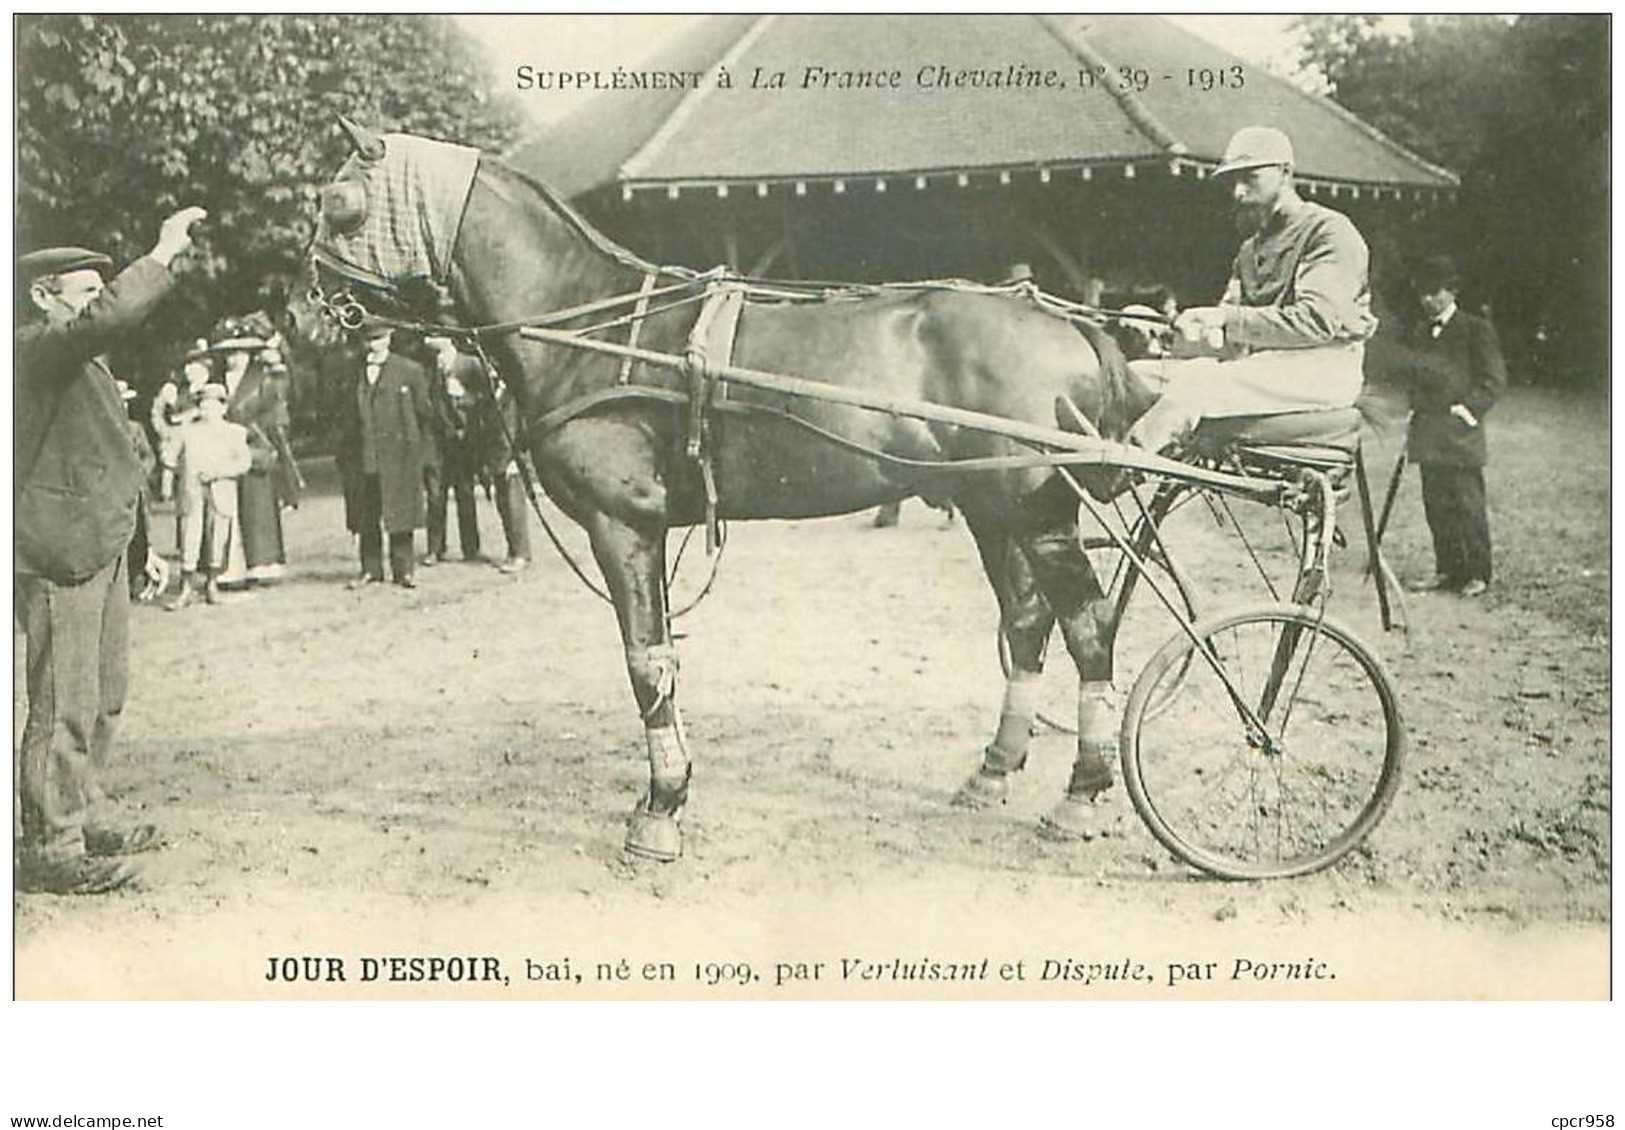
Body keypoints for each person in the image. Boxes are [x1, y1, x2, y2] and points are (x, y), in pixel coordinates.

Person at [14, 205, 205, 894]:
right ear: (43, 295)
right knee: (62, 699)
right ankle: (52, 844)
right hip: (58, 550)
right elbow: (114, 317)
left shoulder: (82, 360)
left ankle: (86, 809)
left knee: (103, 696)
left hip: (103, 543)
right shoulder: (31, 348)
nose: (99, 306)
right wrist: (162, 251)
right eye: (86, 293)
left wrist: (143, 544)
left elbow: (122, 455)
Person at [1126, 126, 1378, 455]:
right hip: (1261, 367)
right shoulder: (1249, 250)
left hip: (1324, 368)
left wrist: (1220, 317)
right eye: (1233, 181)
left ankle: (1119, 465)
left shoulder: (1329, 232)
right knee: (1136, 376)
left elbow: (1316, 322)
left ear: (1286, 173)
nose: (1238, 192)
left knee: (1198, 384)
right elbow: (1228, 341)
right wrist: (1165, 333)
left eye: (1250, 177)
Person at [1401, 255, 1507, 598]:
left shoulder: (1476, 328)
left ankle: (1477, 572)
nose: (1427, 300)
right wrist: (1414, 407)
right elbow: (1416, 376)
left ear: (1451, 291)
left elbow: (1493, 380)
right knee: (1437, 504)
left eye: (1434, 293)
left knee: (1467, 504)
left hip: (1460, 434)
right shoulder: (1420, 331)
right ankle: (1447, 569)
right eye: (1422, 294)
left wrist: (1467, 411)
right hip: (1428, 431)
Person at [338, 323, 433, 589]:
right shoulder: (352, 371)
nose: (372, 346)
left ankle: (403, 570)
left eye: (378, 339)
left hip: (399, 455)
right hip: (363, 455)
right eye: (368, 341)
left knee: (400, 511)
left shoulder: (410, 370)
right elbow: (343, 415)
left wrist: (418, 452)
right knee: (367, 513)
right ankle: (370, 569)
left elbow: (425, 413)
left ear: (389, 339)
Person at [212, 320, 289, 586]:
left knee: (258, 507)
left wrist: (260, 439)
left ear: (249, 353)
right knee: (228, 508)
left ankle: (264, 563)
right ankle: (232, 567)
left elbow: (273, 413)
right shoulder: (218, 382)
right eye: (229, 353)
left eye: (240, 352)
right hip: (226, 450)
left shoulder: (264, 379)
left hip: (255, 444)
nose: (234, 358)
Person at [165, 384, 253, 610]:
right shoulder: (186, 432)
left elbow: (244, 462)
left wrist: (219, 472)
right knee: (190, 537)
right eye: (203, 405)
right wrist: (171, 481)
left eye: (213, 405)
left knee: (218, 536)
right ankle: (186, 587)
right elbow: (169, 459)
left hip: (221, 490)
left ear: (223, 408)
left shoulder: (235, 432)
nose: (207, 410)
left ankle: (212, 584)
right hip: (191, 491)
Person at [421, 334, 483, 565]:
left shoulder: (470, 363)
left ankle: (471, 548)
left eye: (434, 336)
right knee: (435, 496)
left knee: (465, 493)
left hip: (463, 440)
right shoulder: (429, 366)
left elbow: (486, 398)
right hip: (436, 442)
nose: (429, 340)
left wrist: (463, 396)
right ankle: (435, 548)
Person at [151, 339, 212, 502]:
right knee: (171, 461)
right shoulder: (176, 390)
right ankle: (167, 493)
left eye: (197, 367)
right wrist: (165, 430)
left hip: (200, 432)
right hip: (178, 431)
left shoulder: (209, 390)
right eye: (189, 366)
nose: (191, 371)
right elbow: (160, 411)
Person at [483, 376, 533, 574]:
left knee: (514, 508)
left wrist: (516, 459)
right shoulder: (493, 393)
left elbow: (520, 429)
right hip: (498, 459)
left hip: (512, 460)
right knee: (503, 506)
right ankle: (513, 551)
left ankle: (521, 553)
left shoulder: (514, 396)